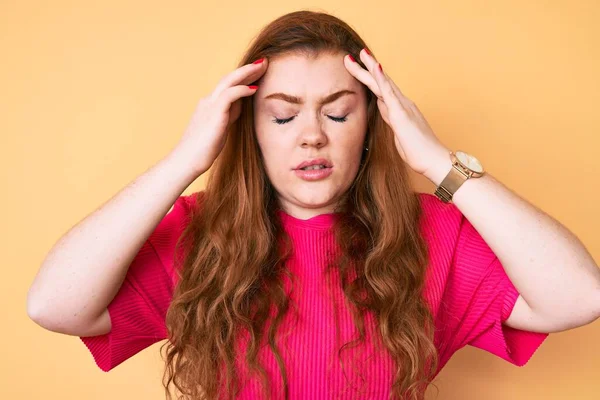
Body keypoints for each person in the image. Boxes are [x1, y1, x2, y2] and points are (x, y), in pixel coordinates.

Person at [27, 9, 600, 400]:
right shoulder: (199, 235)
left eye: (337, 112)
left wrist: (436, 161)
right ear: (248, 129)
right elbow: (55, 305)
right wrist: (184, 161)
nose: (311, 136)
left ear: (374, 122)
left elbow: (579, 296)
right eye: (282, 115)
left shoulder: (433, 235)